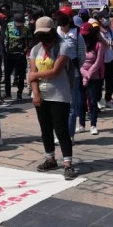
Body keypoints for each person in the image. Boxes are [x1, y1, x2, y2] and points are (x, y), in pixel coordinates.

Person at [28, 17, 77, 180]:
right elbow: (32, 75)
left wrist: (33, 75)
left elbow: (55, 71)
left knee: (61, 130)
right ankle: (50, 159)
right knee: (45, 129)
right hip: (41, 94)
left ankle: (68, 164)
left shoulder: (63, 46)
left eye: (44, 34)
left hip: (59, 95)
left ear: (51, 32)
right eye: (39, 35)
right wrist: (35, 93)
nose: (41, 38)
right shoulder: (35, 49)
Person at [55, 6, 86, 141]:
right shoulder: (54, 33)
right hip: (57, 74)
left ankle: (70, 135)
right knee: (58, 105)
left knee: (72, 106)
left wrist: (73, 67)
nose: (59, 19)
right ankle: (59, 134)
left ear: (69, 19)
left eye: (62, 16)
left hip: (73, 75)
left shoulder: (77, 35)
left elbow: (82, 55)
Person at [78, 22, 105, 135]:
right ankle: (81, 124)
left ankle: (93, 125)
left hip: (94, 77)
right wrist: (84, 74)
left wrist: (88, 75)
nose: (84, 36)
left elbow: (98, 62)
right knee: (81, 101)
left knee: (93, 101)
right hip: (81, 74)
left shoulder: (99, 44)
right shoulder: (79, 44)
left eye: (86, 34)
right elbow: (78, 61)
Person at [4, 13, 31, 101]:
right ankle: (8, 93)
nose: (19, 26)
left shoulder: (26, 29)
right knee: (7, 74)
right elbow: (5, 39)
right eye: (17, 24)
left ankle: (19, 93)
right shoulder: (8, 26)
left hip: (21, 55)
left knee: (21, 74)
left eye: (21, 24)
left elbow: (29, 41)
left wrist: (24, 52)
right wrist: (6, 50)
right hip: (10, 54)